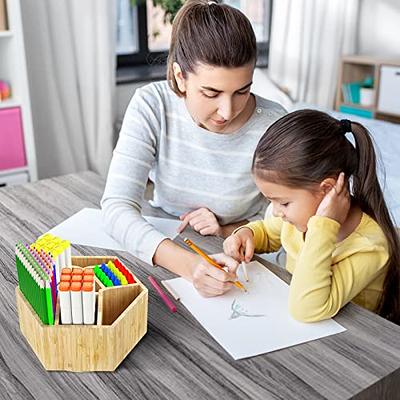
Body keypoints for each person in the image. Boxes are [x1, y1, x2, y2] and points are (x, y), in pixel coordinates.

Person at [101, 0, 286, 297]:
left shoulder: (274, 125)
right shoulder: (152, 104)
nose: (227, 111)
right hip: (165, 252)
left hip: (240, 270)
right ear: (180, 77)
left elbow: (284, 220)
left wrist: (230, 231)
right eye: (211, 93)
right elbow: (116, 208)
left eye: (242, 91)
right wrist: (188, 266)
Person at [223, 109, 400, 324]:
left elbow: (307, 310)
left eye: (284, 202)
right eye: (271, 201)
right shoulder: (298, 218)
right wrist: (245, 234)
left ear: (327, 189)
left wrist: (325, 225)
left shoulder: (369, 246)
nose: (277, 211)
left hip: (348, 341)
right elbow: (268, 233)